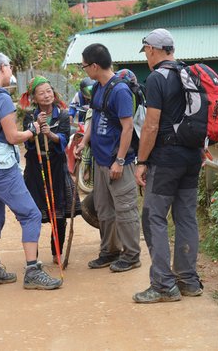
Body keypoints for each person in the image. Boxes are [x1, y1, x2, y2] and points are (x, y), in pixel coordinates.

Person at [0, 52, 62, 290]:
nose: (11, 70)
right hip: (1, 167)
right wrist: (32, 130)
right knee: (31, 215)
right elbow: (13, 137)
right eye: (9, 66)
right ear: (3, 68)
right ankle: (32, 270)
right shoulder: (1, 98)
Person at [133, 28, 203, 303]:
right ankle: (187, 280)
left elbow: (150, 126)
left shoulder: (156, 78)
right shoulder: (191, 74)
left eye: (146, 52)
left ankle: (163, 285)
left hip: (166, 160)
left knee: (153, 217)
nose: (147, 56)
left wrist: (141, 161)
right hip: (192, 156)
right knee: (185, 216)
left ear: (151, 49)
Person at [75, 43, 141, 273]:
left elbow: (127, 127)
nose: (84, 70)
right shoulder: (98, 89)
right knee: (104, 210)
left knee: (125, 209)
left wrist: (120, 160)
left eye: (84, 66)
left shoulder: (120, 91)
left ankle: (131, 255)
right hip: (100, 161)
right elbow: (95, 118)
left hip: (117, 162)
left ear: (94, 66)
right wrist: (84, 142)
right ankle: (109, 251)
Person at [19, 76, 81, 264]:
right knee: (34, 213)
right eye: (41, 93)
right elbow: (27, 141)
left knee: (59, 212)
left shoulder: (62, 115)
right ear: (34, 99)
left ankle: (57, 252)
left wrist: (50, 133)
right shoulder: (30, 116)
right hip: (36, 167)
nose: (46, 96)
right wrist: (35, 128)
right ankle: (33, 257)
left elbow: (62, 140)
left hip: (56, 165)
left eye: (48, 91)